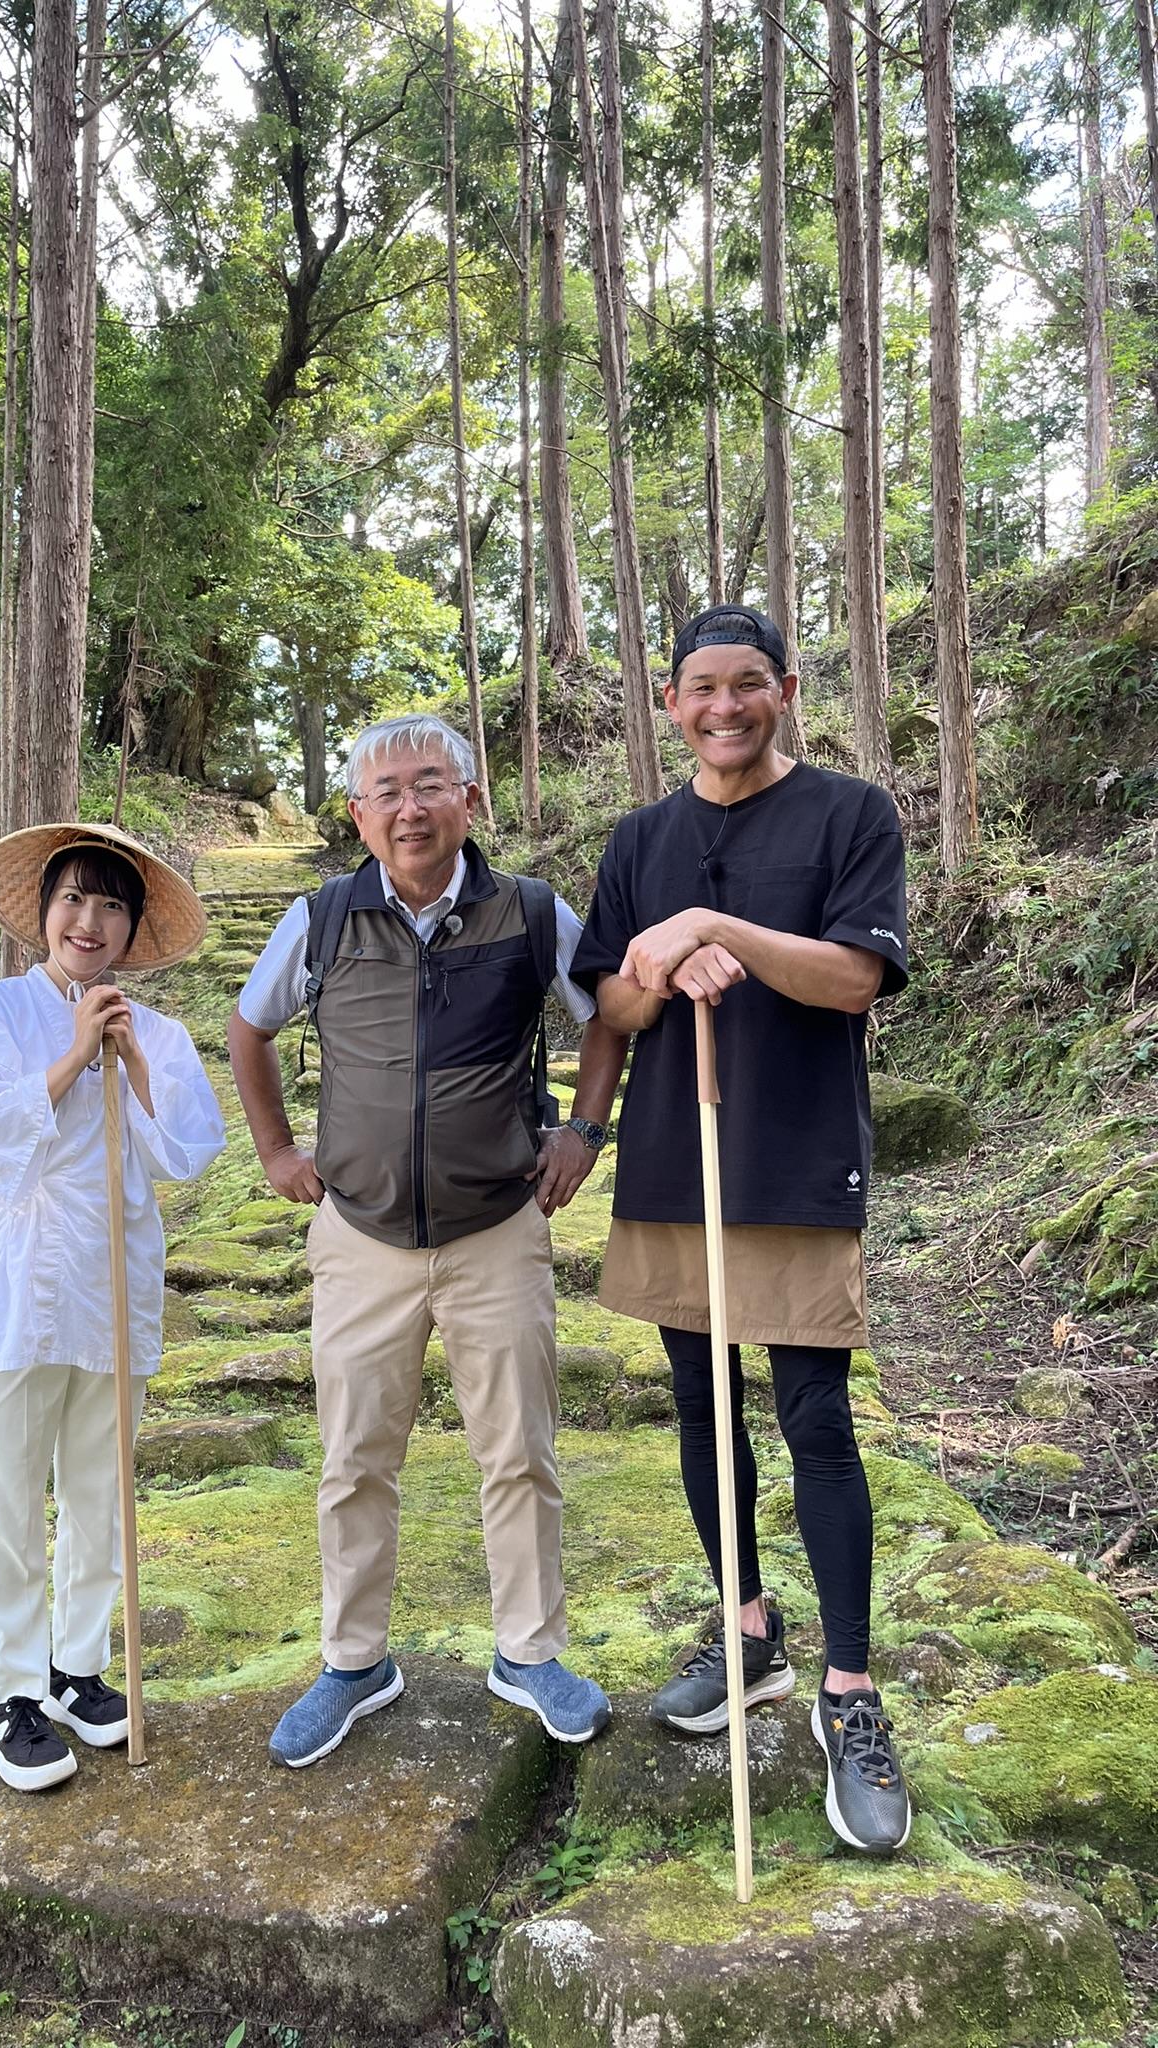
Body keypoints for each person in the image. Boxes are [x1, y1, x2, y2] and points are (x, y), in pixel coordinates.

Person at [570, 605, 913, 1855]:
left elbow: (853, 978)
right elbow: (609, 997)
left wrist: (721, 932)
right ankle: (750, 1627)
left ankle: (851, 1691)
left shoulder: (849, 815)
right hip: (675, 1158)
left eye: (748, 685)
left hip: (795, 1154)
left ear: (785, 691)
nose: (725, 707)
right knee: (703, 1408)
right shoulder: (640, 837)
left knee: (813, 1415)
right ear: (670, 702)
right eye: (701, 688)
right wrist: (660, 968)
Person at [228, 713, 627, 1769]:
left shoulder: (534, 911)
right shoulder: (320, 917)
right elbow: (249, 1026)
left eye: (429, 784)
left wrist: (583, 1130)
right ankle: (355, 1659)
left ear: (470, 798)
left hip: (499, 1225)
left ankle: (530, 1651)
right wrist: (276, 1150)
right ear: (358, 816)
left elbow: (609, 1015)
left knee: (519, 1450)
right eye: (387, 792)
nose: (410, 807)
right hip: (359, 1234)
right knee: (355, 1455)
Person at [0, 821, 225, 1792]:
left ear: (133, 929)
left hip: (114, 1284)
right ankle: (9, 1693)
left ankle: (79, 1667)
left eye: (111, 903)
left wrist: (131, 1060)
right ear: (42, 914)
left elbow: (183, 1152)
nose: (88, 919)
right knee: (10, 1498)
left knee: (100, 1491)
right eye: (73, 898)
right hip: (18, 1287)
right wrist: (69, 1053)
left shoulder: (164, 1035)